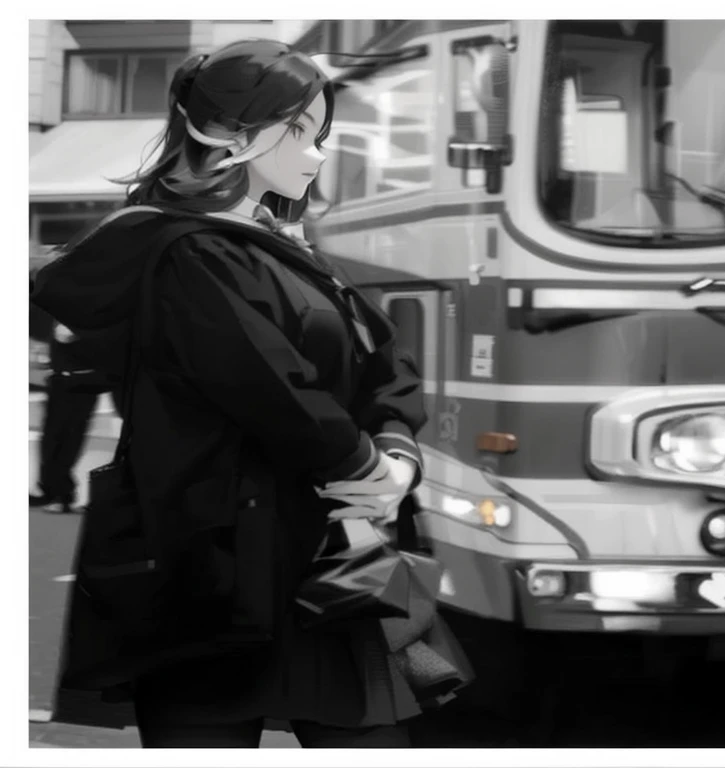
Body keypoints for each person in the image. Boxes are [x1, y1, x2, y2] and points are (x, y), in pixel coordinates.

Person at [31, 40, 443, 748]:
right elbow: (269, 384)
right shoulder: (188, 251)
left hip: (328, 555)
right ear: (230, 134)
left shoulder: (285, 251)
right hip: (213, 569)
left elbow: (389, 366)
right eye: (300, 133)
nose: (316, 156)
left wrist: (397, 459)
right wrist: (369, 471)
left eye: (319, 136)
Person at [28, 320, 115, 514]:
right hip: (60, 379)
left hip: (81, 380)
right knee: (51, 438)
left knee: (68, 438)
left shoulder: (88, 316)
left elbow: (70, 336)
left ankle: (63, 494)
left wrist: (78, 334)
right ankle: (49, 489)